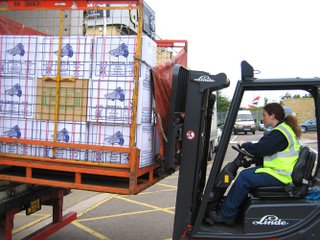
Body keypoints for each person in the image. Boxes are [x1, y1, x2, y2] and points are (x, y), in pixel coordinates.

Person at [208, 102, 301, 225]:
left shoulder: (280, 133)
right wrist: (253, 159)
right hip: (278, 172)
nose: (262, 118)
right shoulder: (281, 130)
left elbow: (260, 149)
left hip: (280, 175)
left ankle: (226, 215)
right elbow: (267, 151)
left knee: (244, 178)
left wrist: (244, 145)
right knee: (246, 174)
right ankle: (229, 207)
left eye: (264, 115)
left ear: (272, 116)